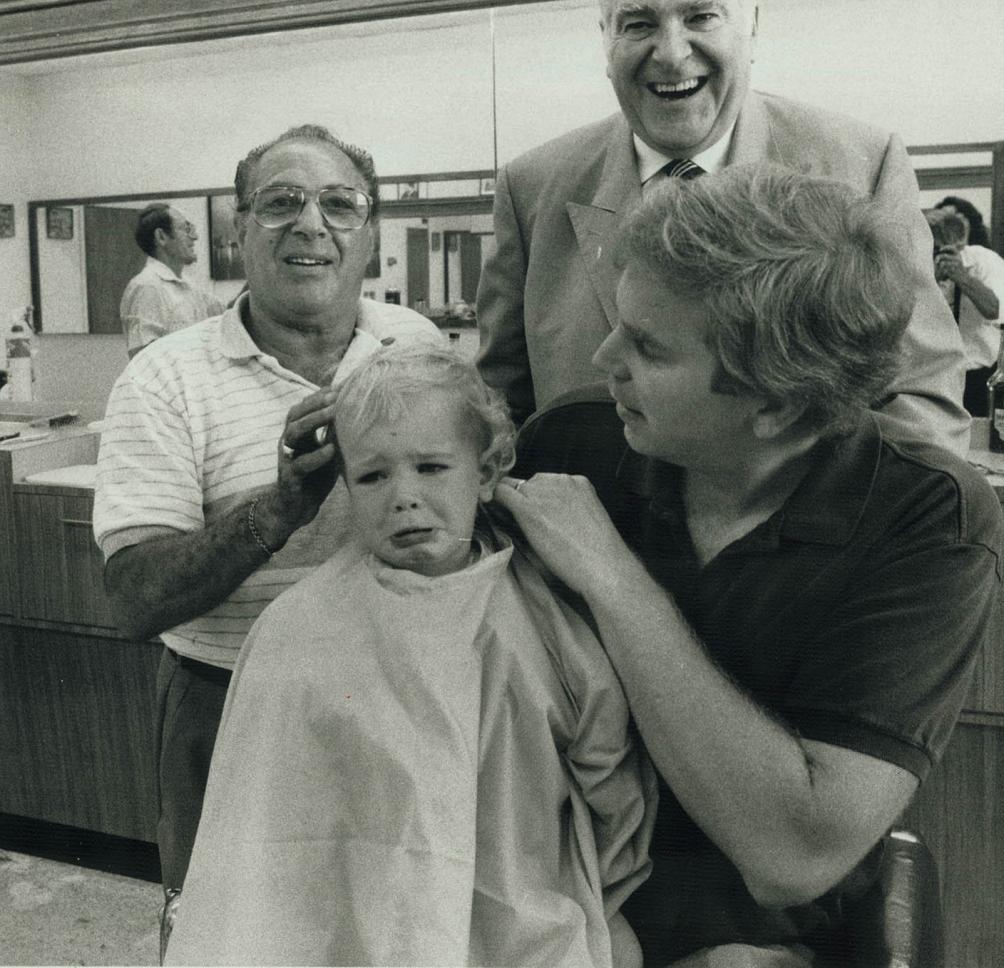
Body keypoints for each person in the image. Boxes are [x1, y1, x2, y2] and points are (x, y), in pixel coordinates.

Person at [498, 166, 1000, 966]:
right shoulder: (576, 443)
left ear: (780, 405)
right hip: (548, 897)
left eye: (648, 347)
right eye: (618, 323)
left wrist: (615, 580)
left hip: (754, 936)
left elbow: (793, 858)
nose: (603, 357)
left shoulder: (924, 516)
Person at [163, 343, 653, 967]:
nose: (403, 496)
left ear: (486, 469)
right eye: (373, 476)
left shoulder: (544, 612)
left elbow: (608, 766)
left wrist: (600, 892)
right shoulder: (298, 627)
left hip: (518, 910)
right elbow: (267, 830)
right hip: (359, 917)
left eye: (430, 467)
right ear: (343, 485)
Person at [475, 0, 969, 453]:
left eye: (700, 16)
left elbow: (923, 404)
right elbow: (497, 414)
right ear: (604, 39)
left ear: (752, 22)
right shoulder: (533, 189)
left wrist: (825, 534)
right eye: (638, 24)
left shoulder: (861, 167)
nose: (670, 52)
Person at [92, 125, 441, 902]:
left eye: (339, 204)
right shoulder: (163, 380)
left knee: (395, 920)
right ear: (239, 232)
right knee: (227, 928)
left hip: (404, 690)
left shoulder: (417, 346)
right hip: (228, 700)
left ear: (371, 234)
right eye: (280, 202)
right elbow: (133, 600)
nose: (311, 224)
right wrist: (277, 511)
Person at [927, 207, 1004, 416]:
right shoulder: (917, 266)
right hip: (929, 376)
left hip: (976, 378)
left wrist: (963, 278)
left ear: (959, 244)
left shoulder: (986, 263)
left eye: (937, 249)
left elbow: (1002, 313)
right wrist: (928, 282)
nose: (931, 256)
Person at [119, 203, 223, 357]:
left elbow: (228, 313)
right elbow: (144, 360)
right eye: (185, 229)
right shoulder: (147, 287)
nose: (195, 237)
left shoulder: (190, 286)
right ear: (161, 237)